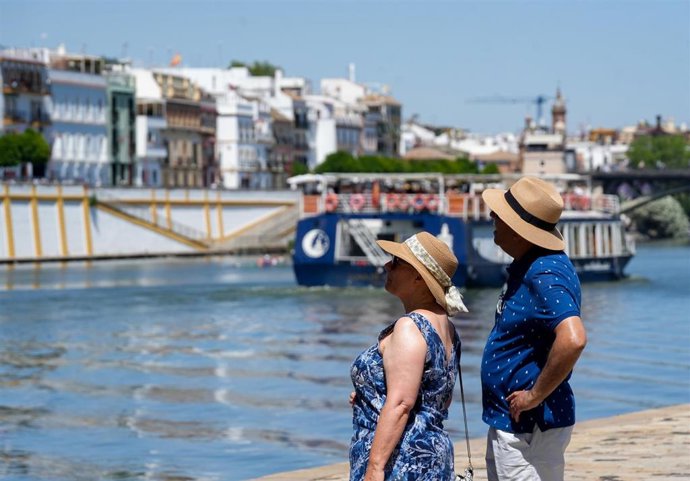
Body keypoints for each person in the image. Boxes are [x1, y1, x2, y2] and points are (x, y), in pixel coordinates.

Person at [480, 177, 587, 481]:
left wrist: (534, 396)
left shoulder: (544, 271)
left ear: (518, 228)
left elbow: (574, 338)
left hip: (528, 425)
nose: (492, 218)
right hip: (517, 421)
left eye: (499, 214)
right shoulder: (534, 265)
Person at [349, 231, 468, 481]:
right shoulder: (447, 329)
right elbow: (438, 400)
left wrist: (375, 468)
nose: (386, 265)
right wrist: (370, 393)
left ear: (418, 276)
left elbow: (402, 404)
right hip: (431, 456)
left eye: (396, 262)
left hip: (402, 460)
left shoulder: (410, 327)